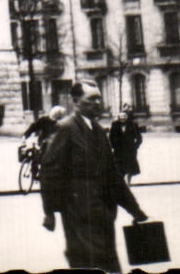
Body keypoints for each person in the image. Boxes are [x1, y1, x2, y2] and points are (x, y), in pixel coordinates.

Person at [40, 80, 149, 272]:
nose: (98, 102)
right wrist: (49, 212)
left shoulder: (98, 131)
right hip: (78, 214)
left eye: (99, 98)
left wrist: (135, 209)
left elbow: (113, 176)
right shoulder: (66, 128)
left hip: (103, 214)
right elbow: (50, 172)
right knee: (91, 265)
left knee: (108, 265)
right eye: (92, 99)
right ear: (77, 101)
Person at [108, 104, 143, 183]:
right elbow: (111, 137)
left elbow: (139, 138)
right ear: (118, 117)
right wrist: (114, 146)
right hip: (118, 151)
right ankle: (122, 183)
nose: (123, 118)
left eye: (124, 116)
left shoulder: (132, 125)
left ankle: (128, 183)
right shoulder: (115, 125)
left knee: (130, 169)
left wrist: (135, 146)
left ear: (127, 117)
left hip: (130, 151)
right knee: (119, 168)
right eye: (121, 117)